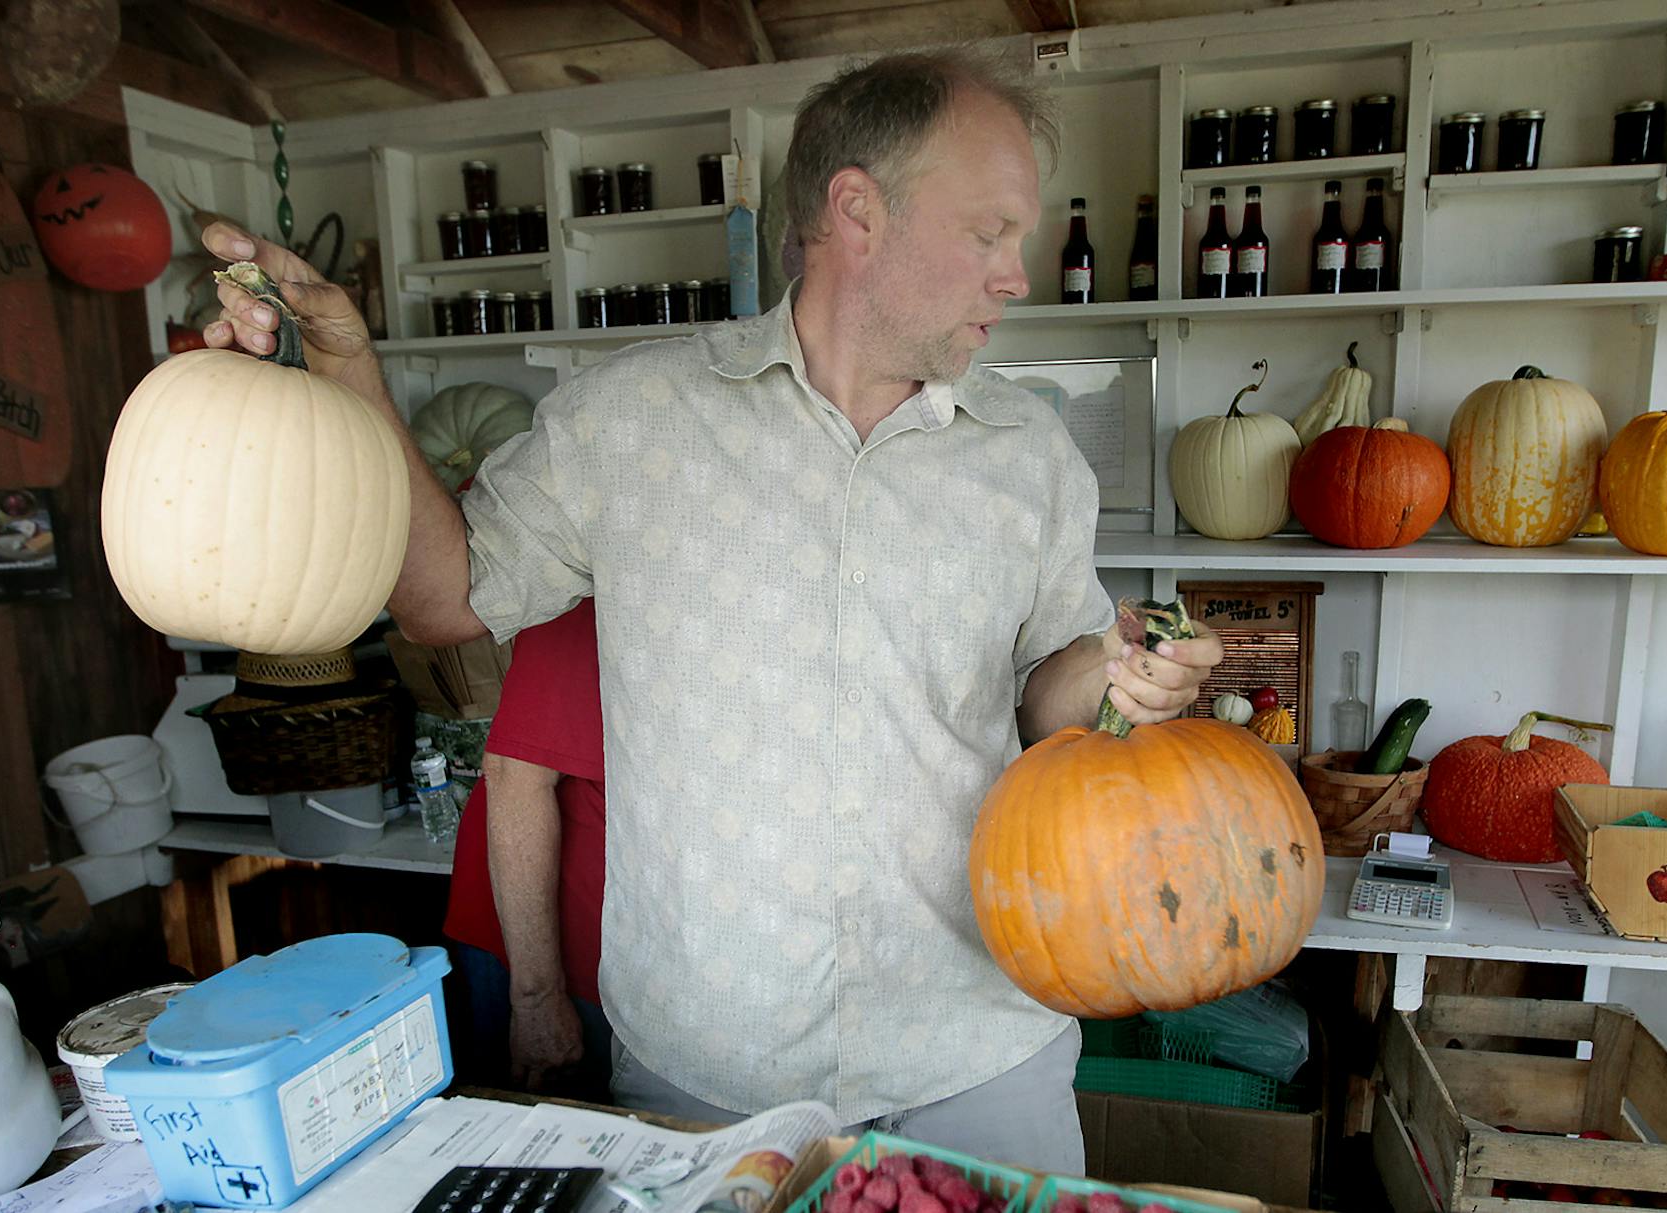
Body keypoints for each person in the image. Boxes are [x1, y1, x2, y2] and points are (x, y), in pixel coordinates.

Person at [202, 47, 1223, 1172]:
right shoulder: (630, 423)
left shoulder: (1027, 451)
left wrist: (1117, 673)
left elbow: (1046, 694)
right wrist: (349, 371)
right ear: (858, 211)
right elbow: (445, 598)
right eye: (989, 232)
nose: (1017, 275)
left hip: (977, 1047)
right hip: (708, 1068)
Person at [441, 600, 610, 1097]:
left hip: (618, 935)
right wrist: (537, 998)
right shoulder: (587, 604)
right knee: (538, 1128)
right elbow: (516, 778)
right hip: (535, 939)